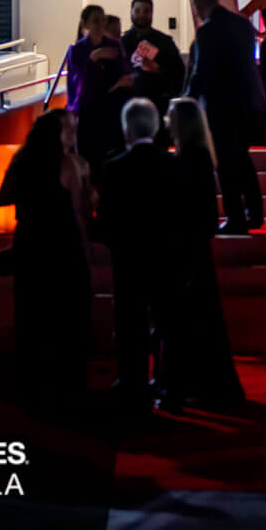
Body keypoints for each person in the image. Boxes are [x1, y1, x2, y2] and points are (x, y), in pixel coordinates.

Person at [95, 98, 186, 413]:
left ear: (127, 130)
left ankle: (134, 390)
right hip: (167, 257)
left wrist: (116, 244)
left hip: (129, 259)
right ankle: (173, 391)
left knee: (130, 328)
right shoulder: (174, 165)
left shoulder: (114, 168)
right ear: (157, 127)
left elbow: (106, 220)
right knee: (170, 326)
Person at [0, 110, 91, 409]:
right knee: (65, 319)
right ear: (56, 133)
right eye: (69, 129)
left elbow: (3, 196)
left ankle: (32, 386)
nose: (73, 135)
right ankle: (66, 387)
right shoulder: (69, 164)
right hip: (62, 247)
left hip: (30, 244)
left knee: (32, 316)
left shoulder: (22, 160)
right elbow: (80, 210)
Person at [161, 98, 243, 409]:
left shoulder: (189, 159)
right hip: (195, 249)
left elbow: (196, 209)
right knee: (201, 319)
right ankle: (204, 384)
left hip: (188, 249)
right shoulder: (197, 157)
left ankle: (197, 384)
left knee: (191, 320)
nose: (166, 122)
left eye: (170, 117)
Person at [186, 0, 266, 233]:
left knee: (225, 163)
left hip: (222, 106)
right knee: (242, 158)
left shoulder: (207, 31)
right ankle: (255, 212)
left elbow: (200, 72)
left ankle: (236, 218)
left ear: (199, 7)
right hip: (249, 102)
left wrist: (187, 101)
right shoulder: (242, 25)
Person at [70, 4, 127, 177]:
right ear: (86, 24)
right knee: (89, 158)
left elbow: (123, 71)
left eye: (103, 20)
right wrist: (93, 59)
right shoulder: (78, 50)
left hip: (111, 108)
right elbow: (78, 83)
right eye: (96, 21)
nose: (100, 25)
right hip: (88, 110)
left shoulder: (113, 45)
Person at [121, 0, 186, 105]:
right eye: (137, 11)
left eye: (146, 11)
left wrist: (158, 69)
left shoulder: (165, 42)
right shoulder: (121, 42)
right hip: (128, 101)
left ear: (152, 13)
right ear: (131, 12)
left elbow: (179, 72)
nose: (141, 15)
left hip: (158, 101)